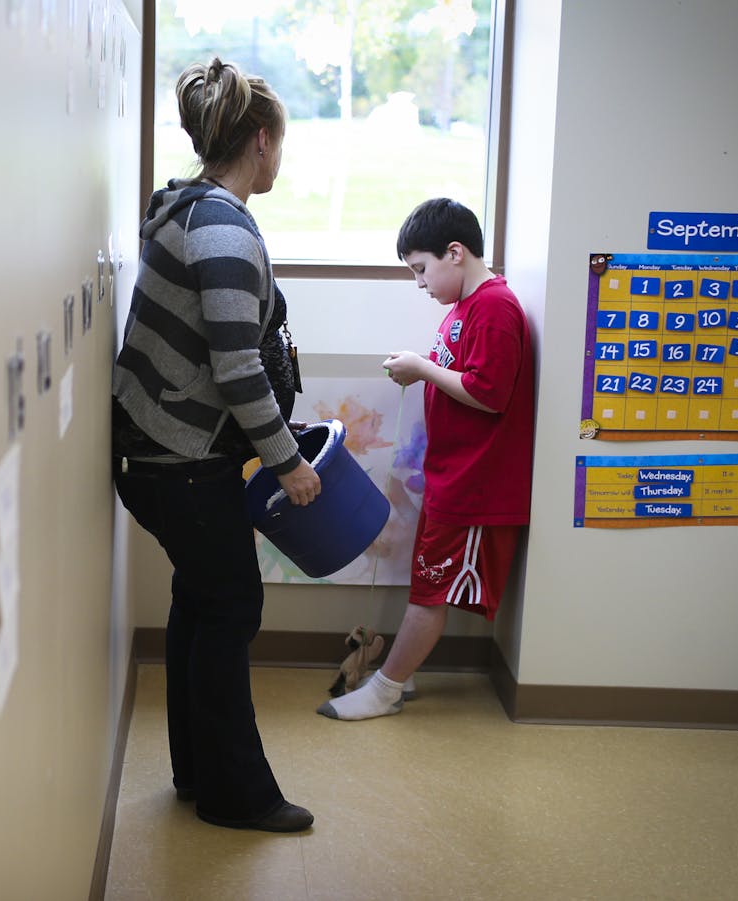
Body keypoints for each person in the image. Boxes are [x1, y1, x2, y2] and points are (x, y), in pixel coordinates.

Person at [112, 57, 320, 832]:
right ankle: (236, 794)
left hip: (157, 452)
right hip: (180, 462)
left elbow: (219, 358)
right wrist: (288, 463)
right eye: (280, 143)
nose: (279, 156)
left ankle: (197, 772)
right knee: (230, 604)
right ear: (261, 140)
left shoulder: (187, 208)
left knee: (202, 602)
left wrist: (268, 439)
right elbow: (236, 366)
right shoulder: (224, 229)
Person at [318, 197, 534, 721]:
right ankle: (399, 674)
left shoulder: (495, 308)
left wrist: (421, 366)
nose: (420, 283)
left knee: (431, 589)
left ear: (454, 253)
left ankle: (386, 689)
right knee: (427, 581)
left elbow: (489, 393)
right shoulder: (465, 307)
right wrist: (419, 366)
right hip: (454, 476)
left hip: (477, 483)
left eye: (421, 269)